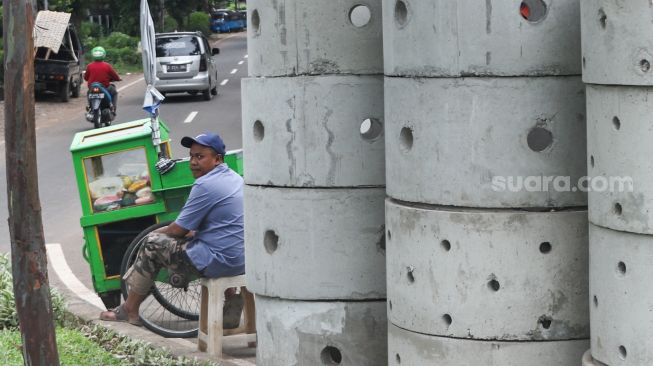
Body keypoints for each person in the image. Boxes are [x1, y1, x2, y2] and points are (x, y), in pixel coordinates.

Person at [100, 132, 245, 327]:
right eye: (192, 156)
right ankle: (232, 300)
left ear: (217, 159)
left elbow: (177, 230)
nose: (193, 162)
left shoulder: (206, 185)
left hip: (221, 261)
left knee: (152, 244)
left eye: (200, 157)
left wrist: (150, 236)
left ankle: (129, 310)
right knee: (202, 238)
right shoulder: (235, 178)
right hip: (243, 259)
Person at [84, 46, 121, 112]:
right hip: (105, 87)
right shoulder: (107, 65)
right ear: (104, 55)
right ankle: (113, 107)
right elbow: (115, 76)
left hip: (92, 87)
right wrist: (118, 79)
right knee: (114, 92)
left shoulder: (89, 66)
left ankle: (89, 106)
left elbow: (86, 78)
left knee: (88, 93)